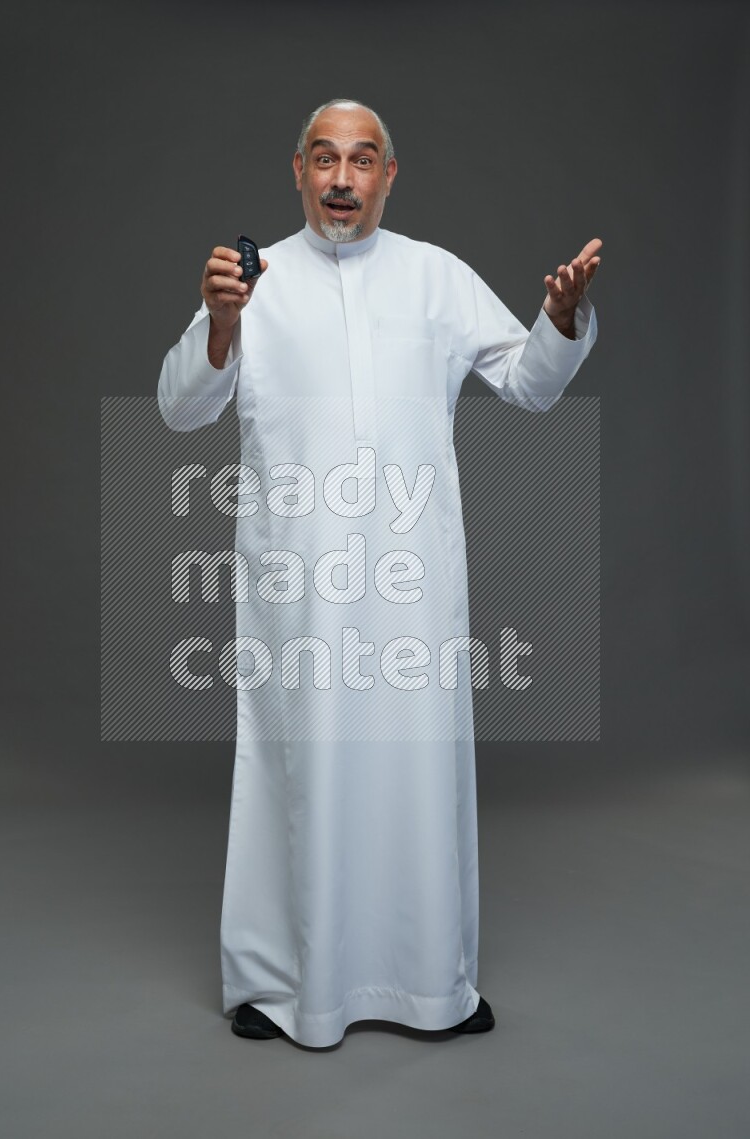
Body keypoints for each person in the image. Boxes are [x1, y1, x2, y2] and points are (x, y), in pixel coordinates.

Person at [157, 98, 601, 1048]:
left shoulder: (435, 277)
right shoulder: (253, 280)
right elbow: (180, 410)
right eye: (326, 160)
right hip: (299, 585)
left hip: (409, 585)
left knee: (415, 770)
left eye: (363, 161)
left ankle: (428, 982)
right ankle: (282, 984)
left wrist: (560, 318)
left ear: (390, 175)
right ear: (299, 170)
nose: (343, 180)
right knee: (295, 768)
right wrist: (221, 328)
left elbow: (527, 382)